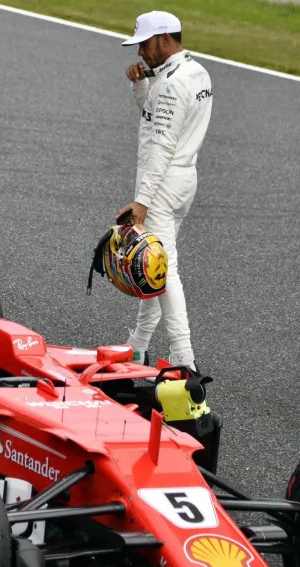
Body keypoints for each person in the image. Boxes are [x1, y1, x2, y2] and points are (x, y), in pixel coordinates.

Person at [115, 10, 213, 371]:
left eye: (145, 42)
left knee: (164, 270)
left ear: (164, 39)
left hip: (163, 183)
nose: (141, 50)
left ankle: (183, 356)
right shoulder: (196, 72)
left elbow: (160, 145)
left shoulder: (171, 84)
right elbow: (154, 115)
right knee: (155, 266)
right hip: (184, 181)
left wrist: (141, 201)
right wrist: (140, 85)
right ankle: (138, 344)